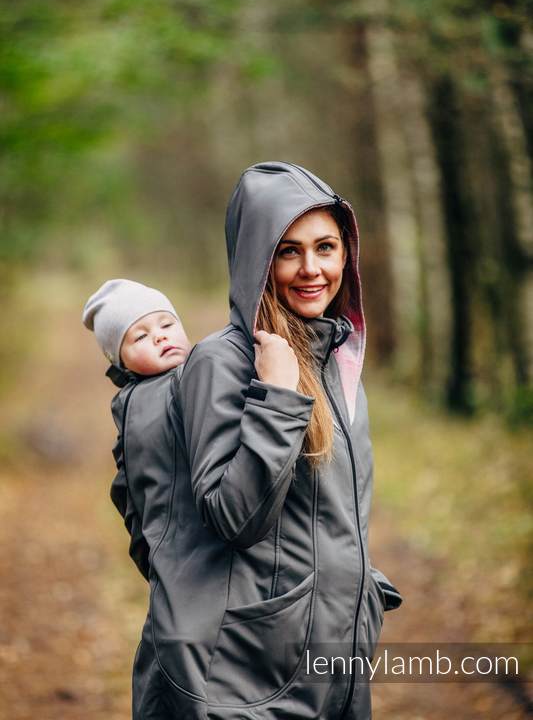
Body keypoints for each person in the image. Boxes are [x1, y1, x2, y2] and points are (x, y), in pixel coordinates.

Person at [131, 161, 403, 719]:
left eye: (326, 247)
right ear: (256, 257)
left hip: (336, 655)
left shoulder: (337, 356)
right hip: (249, 672)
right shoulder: (222, 363)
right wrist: (277, 397)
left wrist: (360, 591)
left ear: (347, 255)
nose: (312, 269)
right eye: (288, 250)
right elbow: (233, 517)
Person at [82, 278, 191, 579]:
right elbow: (128, 492)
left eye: (167, 325)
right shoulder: (136, 408)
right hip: (179, 553)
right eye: (140, 337)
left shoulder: (206, 370)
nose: (159, 337)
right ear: (122, 362)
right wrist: (150, 561)